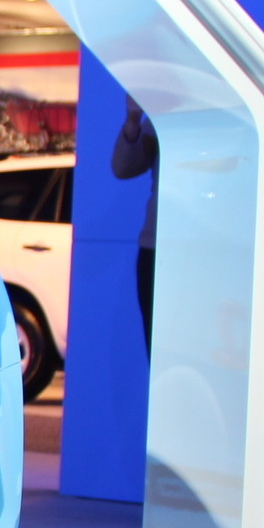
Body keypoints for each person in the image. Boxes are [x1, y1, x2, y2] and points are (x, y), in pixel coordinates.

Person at [110, 95, 157, 350]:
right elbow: (123, 168)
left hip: (206, 247)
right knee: (157, 343)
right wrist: (132, 120)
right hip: (156, 248)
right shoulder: (163, 121)